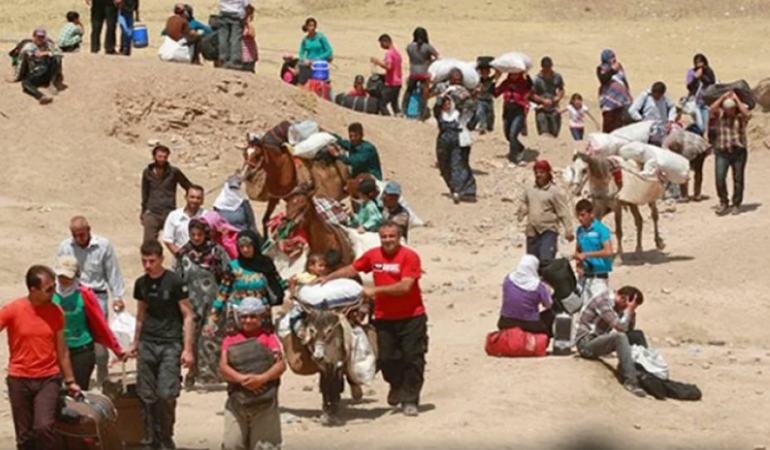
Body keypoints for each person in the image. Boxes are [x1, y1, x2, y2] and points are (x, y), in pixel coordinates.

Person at [318, 220, 425, 415]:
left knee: (413, 358)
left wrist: (374, 291)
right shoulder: (374, 255)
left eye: (391, 236)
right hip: (384, 317)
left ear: (399, 237)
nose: (387, 240)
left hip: (411, 316)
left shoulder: (409, 256)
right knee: (385, 358)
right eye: (384, 237)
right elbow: (353, 269)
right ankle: (396, 385)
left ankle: (410, 399)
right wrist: (328, 278)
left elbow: (405, 286)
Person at [1, 265, 82, 450]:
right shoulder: (13, 310)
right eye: (49, 289)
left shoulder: (56, 311)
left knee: (43, 426)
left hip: (48, 378)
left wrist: (70, 381)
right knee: (24, 435)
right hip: (19, 378)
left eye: (54, 287)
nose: (54, 292)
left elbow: (62, 350)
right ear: (33, 290)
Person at [129, 240, 195, 450]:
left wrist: (188, 349)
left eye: (151, 261)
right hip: (148, 342)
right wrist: (135, 342)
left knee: (166, 394)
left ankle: (166, 435)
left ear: (160, 259)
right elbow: (140, 314)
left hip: (170, 344)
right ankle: (150, 438)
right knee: (146, 394)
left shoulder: (175, 282)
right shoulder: (141, 283)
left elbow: (188, 315)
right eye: (144, 261)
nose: (147, 265)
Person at [56, 215, 127, 387]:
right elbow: (59, 272)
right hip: (72, 293)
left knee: (99, 332)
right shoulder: (65, 247)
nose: (79, 238)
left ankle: (103, 373)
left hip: (97, 294)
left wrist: (117, 296)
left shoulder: (103, 246)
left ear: (89, 230)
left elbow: (112, 272)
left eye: (82, 234)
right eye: (76, 235)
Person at [220, 297, 286, 450]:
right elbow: (223, 367)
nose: (247, 320)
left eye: (252, 316)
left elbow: (281, 365)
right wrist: (244, 380)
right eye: (244, 316)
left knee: (265, 447)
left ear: (260, 317)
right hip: (237, 402)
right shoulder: (230, 339)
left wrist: (262, 378)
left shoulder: (269, 338)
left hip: (265, 403)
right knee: (232, 445)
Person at [174, 219, 231, 388]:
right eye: (193, 235)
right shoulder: (183, 254)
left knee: (210, 338)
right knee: (191, 338)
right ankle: (192, 373)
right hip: (190, 304)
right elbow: (177, 278)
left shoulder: (217, 252)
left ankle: (210, 377)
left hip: (214, 303)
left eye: (200, 234)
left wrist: (223, 298)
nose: (197, 238)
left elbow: (227, 275)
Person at [206, 230, 285, 337]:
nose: (245, 250)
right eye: (242, 247)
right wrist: (212, 319)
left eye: (249, 246)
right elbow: (222, 294)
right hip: (238, 318)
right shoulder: (233, 267)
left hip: (261, 318)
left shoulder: (265, 264)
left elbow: (279, 284)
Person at [575, 286, 647, 397]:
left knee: (637, 335)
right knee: (620, 337)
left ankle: (645, 373)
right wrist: (628, 311)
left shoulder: (618, 306)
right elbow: (620, 327)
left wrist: (631, 314)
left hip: (599, 340)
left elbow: (629, 330)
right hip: (586, 344)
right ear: (623, 298)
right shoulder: (603, 302)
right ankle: (631, 382)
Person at [516, 160, 574, 268]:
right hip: (532, 230)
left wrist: (568, 230)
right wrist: (522, 211)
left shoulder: (554, 192)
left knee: (546, 259)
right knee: (532, 262)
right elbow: (525, 202)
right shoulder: (530, 189)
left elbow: (563, 211)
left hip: (548, 230)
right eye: (536, 172)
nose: (538, 175)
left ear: (548, 173)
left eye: (541, 172)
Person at [141, 144, 194, 243]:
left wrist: (190, 200)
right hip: (152, 213)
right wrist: (143, 211)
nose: (162, 159)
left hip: (169, 212)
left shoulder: (174, 172)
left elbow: (188, 186)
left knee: (177, 241)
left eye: (164, 157)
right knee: (149, 244)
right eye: (159, 156)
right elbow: (144, 193)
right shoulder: (147, 172)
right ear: (154, 157)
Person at [710, 91, 751, 216]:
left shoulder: (740, 118)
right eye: (727, 108)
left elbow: (747, 114)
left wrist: (736, 99)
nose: (729, 111)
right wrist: (723, 97)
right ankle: (724, 202)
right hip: (722, 151)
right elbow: (712, 108)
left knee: (738, 179)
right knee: (720, 178)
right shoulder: (720, 116)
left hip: (738, 152)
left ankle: (736, 204)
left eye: (732, 108)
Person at [435, 90, 477, 204]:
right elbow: (436, 104)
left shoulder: (459, 115)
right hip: (443, 143)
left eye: (449, 102)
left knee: (456, 164)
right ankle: (453, 187)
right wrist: (443, 94)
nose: (447, 105)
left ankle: (459, 190)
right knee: (444, 166)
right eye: (445, 103)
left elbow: (471, 108)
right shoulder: (440, 115)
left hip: (457, 142)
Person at [498, 255, 554, 336]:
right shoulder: (538, 286)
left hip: (505, 321)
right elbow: (548, 305)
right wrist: (547, 291)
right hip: (529, 324)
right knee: (551, 315)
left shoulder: (508, 280)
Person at [574, 199, 614, 304]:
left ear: (591, 214)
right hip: (584, 277)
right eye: (578, 215)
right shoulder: (580, 231)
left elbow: (608, 251)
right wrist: (578, 265)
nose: (580, 218)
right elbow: (578, 249)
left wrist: (587, 255)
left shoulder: (601, 229)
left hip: (599, 277)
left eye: (583, 215)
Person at [13, 28, 64, 105]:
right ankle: (41, 96)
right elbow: (21, 62)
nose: (40, 39)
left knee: (56, 58)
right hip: (37, 72)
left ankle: (52, 83)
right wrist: (17, 77)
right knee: (25, 83)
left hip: (49, 70)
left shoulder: (48, 44)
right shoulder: (28, 47)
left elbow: (60, 53)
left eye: (42, 37)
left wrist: (47, 53)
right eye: (38, 36)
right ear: (33, 36)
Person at [495, 71, 533, 165]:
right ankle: (520, 148)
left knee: (513, 135)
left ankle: (513, 159)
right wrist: (495, 78)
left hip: (519, 111)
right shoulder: (506, 83)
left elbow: (531, 88)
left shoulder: (524, 83)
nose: (514, 76)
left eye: (516, 73)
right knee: (508, 136)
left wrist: (527, 74)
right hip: (508, 111)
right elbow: (496, 93)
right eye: (512, 73)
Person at [403, 27, 439, 120]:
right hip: (424, 72)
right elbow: (436, 56)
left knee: (408, 91)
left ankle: (404, 110)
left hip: (413, 72)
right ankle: (421, 113)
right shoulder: (427, 47)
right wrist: (430, 61)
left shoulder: (410, 46)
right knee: (424, 93)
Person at [161, 184, 208, 256]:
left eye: (198, 198)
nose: (195, 200)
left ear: (202, 201)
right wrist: (181, 256)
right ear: (186, 197)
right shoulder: (174, 216)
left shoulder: (207, 216)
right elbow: (168, 240)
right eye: (192, 197)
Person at [596, 49, 632, 133]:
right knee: (609, 124)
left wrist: (628, 92)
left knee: (620, 124)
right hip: (609, 102)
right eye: (611, 57)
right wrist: (613, 70)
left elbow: (623, 80)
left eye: (614, 56)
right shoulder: (601, 68)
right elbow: (603, 79)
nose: (614, 59)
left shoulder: (619, 66)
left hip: (621, 101)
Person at [532, 57, 565, 137]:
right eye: (546, 68)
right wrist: (543, 100)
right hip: (541, 108)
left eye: (549, 67)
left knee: (555, 131)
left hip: (554, 107)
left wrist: (558, 97)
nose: (548, 69)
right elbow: (532, 94)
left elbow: (561, 89)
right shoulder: (537, 79)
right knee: (543, 131)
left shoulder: (557, 76)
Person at [371, 34, 403, 116]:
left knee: (382, 104)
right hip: (398, 82)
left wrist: (377, 62)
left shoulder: (389, 53)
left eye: (381, 44)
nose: (381, 46)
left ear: (386, 42)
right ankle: (399, 117)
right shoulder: (397, 53)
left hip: (391, 83)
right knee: (394, 104)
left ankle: (388, 119)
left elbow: (389, 66)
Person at [686, 53, 717, 137]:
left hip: (705, 103)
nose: (699, 64)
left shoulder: (709, 72)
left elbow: (711, 83)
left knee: (706, 127)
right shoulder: (691, 72)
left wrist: (701, 76)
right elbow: (689, 87)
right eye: (697, 62)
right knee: (700, 126)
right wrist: (695, 78)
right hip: (695, 102)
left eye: (701, 62)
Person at [218, 0, 249, 69]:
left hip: (224, 11)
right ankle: (235, 61)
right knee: (235, 38)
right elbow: (246, 4)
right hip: (236, 13)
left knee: (223, 37)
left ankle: (223, 58)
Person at [470, 63, 496, 134]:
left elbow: (498, 74)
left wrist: (494, 66)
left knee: (490, 114)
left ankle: (489, 127)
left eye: (486, 73)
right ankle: (482, 127)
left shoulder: (491, 80)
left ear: (488, 73)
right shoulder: (478, 81)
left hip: (489, 100)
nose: (484, 74)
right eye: (483, 73)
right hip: (480, 100)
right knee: (480, 112)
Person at [241, 5, 258, 73]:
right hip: (244, 57)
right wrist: (248, 22)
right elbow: (252, 34)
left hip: (250, 57)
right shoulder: (243, 26)